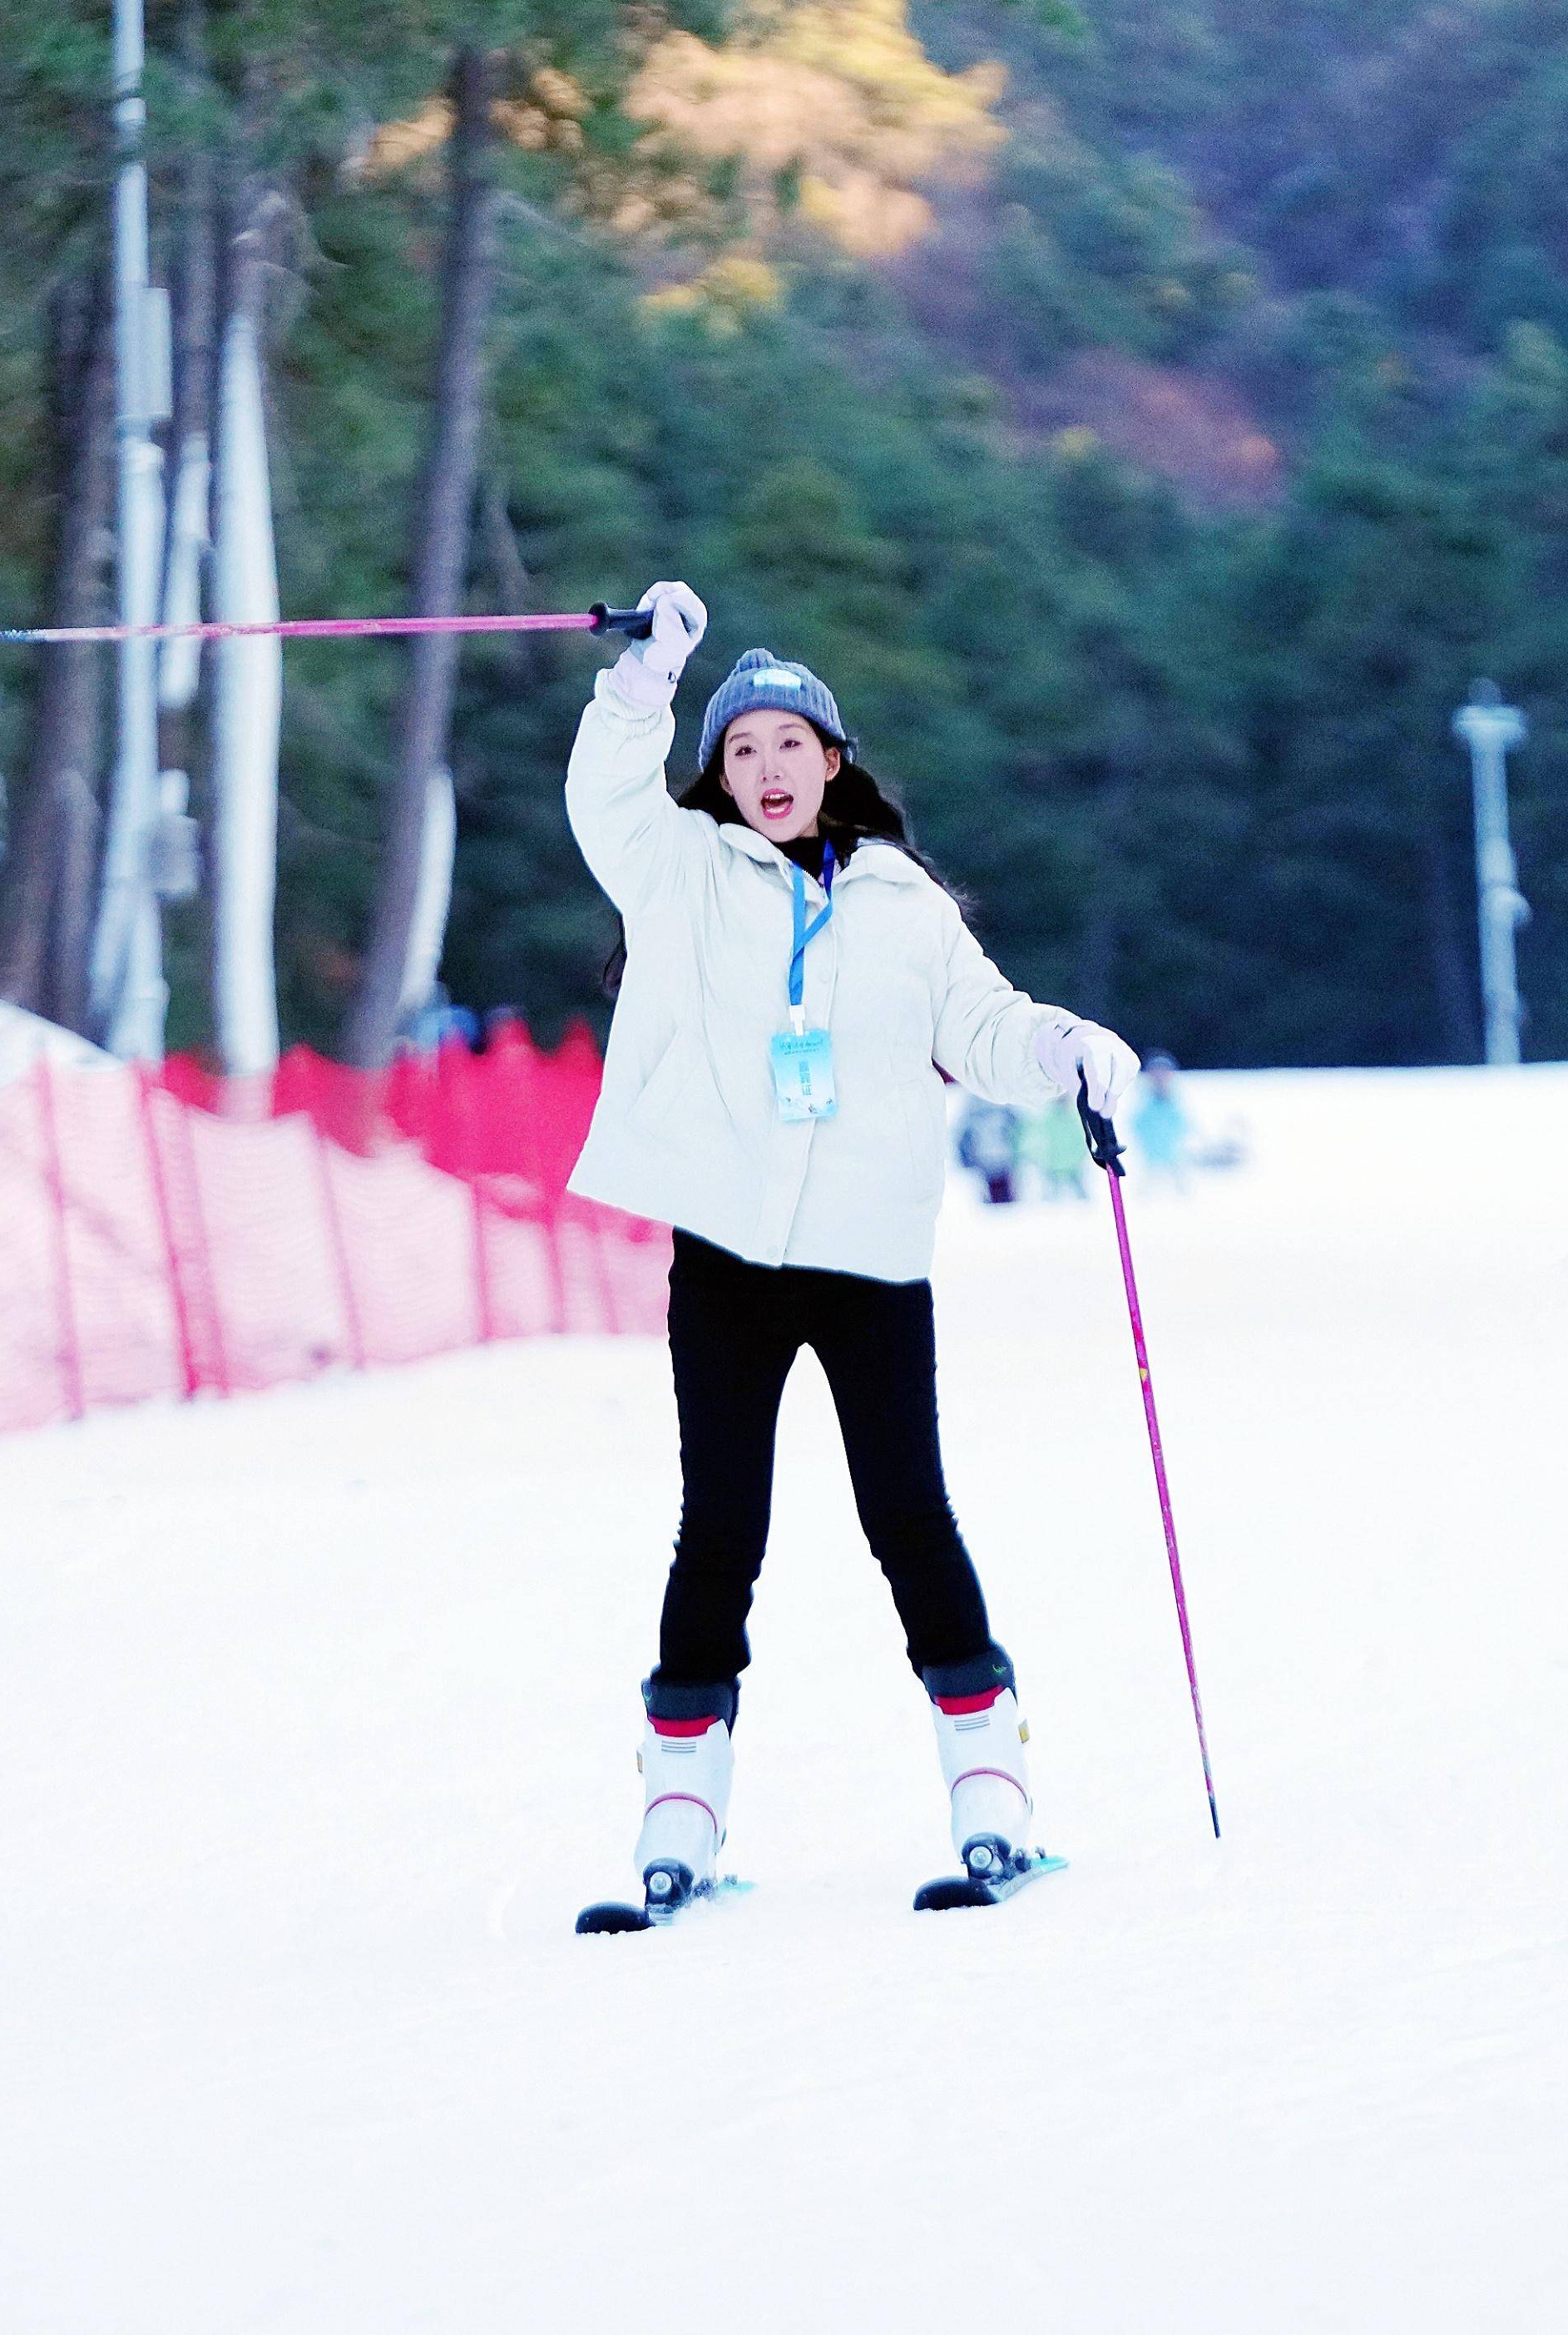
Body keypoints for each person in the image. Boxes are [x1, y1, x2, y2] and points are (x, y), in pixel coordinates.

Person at [564, 581, 1143, 1917]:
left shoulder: (902, 904)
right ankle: (677, 1825)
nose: (764, 769)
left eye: (788, 745)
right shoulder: (681, 875)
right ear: (719, 775)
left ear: (834, 761)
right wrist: (642, 682)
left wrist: (1065, 1047)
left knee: (906, 1515)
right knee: (719, 1526)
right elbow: (606, 792)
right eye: (740, 749)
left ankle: (990, 1796)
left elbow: (985, 1027)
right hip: (725, 1253)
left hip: (869, 1256)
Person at [1133, 1053, 1192, 1189]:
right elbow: (1138, 1125)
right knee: (1147, 1186)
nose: (1160, 1079)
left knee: (1181, 1185)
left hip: (1173, 1153)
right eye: (1156, 1074)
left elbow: (1183, 1125)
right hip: (1150, 1155)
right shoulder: (1144, 1104)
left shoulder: (1175, 1103)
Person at [957, 1096, 1020, 1204]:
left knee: (997, 1194)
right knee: (1004, 1199)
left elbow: (964, 1135)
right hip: (1001, 1156)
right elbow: (1015, 1125)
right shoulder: (1001, 1101)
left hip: (987, 1157)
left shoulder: (972, 1106)